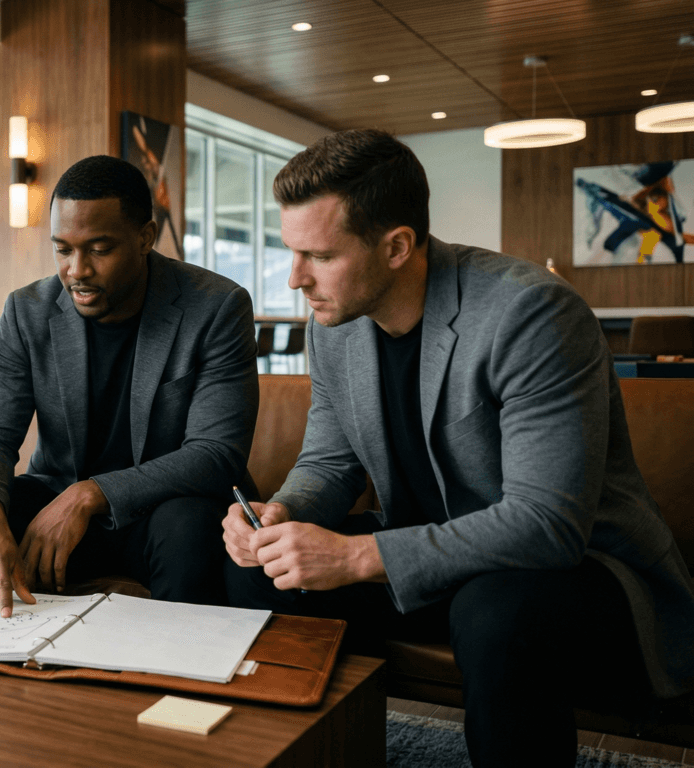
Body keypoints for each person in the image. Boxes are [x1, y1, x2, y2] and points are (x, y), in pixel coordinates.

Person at [221, 129, 694, 767]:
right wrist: (282, 513)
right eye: (292, 251)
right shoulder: (332, 324)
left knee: (493, 611)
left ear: (396, 246)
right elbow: (329, 461)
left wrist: (360, 555)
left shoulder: (530, 314)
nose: (295, 277)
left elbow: (546, 526)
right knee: (260, 572)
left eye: (319, 256)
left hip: (579, 571)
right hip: (430, 556)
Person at [0, 155, 259, 616]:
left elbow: (216, 455)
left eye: (99, 249)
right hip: (56, 502)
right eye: (63, 249)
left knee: (190, 526)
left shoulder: (216, 307)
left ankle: (175, 675)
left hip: (160, 512)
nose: (76, 270)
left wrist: (89, 495)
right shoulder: (27, 311)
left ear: (145, 238)